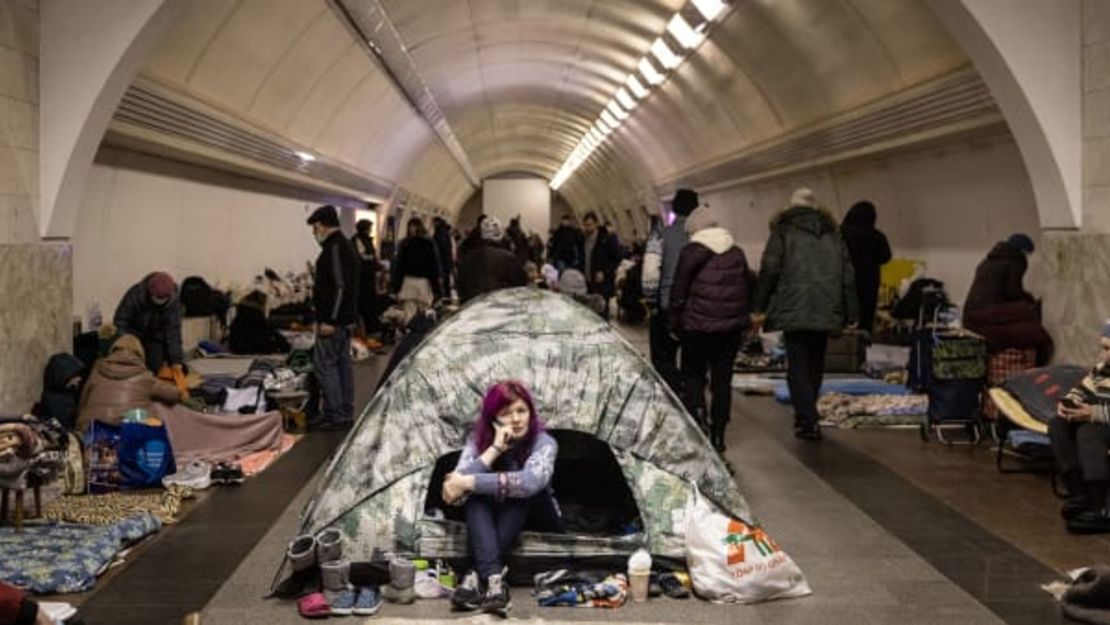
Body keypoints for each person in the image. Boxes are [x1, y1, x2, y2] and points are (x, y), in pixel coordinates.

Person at [442, 381, 563, 614]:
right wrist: (495, 449)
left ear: (530, 413)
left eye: (521, 411)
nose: (516, 419)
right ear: (493, 419)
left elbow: (529, 483)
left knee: (517, 489)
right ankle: (495, 582)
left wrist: (467, 482)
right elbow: (452, 495)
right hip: (500, 515)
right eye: (506, 414)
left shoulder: (544, 443)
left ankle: (476, 574)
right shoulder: (478, 444)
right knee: (476, 495)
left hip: (541, 516)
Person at [752, 188, 858, 441]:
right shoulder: (834, 234)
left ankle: (807, 419)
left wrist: (758, 306)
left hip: (793, 304)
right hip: (826, 303)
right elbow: (848, 275)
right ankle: (808, 414)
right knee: (815, 363)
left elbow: (770, 269)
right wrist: (852, 311)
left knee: (797, 364)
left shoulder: (783, 231)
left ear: (790, 206)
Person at [668, 208, 751, 452]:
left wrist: (674, 323)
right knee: (722, 381)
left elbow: (679, 290)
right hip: (730, 329)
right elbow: (746, 286)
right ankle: (719, 434)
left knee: (693, 373)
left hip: (697, 326)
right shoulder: (737, 253)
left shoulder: (691, 251)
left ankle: (698, 415)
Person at [1050, 322, 1110, 534]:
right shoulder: (1101, 371)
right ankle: (1080, 492)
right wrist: (1068, 404)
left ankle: (1100, 505)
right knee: (1058, 425)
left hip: (1103, 423)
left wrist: (1092, 413)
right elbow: (1081, 390)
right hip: (1098, 419)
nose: (1105, 355)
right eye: (1104, 348)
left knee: (1088, 431)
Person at [307, 204, 360, 429]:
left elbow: (339, 286)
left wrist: (330, 319)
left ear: (321, 225)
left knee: (325, 366)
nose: (313, 233)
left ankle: (336, 414)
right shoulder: (345, 246)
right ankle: (345, 412)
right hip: (346, 319)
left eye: (314, 228)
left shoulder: (334, 249)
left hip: (335, 322)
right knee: (342, 366)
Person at [962, 233, 1053, 365]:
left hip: (970, 315)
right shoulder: (1016, 260)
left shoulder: (988, 260)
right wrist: (1030, 301)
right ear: (1023, 251)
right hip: (988, 315)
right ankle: (1038, 370)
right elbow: (1013, 291)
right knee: (1037, 333)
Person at [76, 334, 182, 432]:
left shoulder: (97, 370)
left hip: (91, 429)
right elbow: (174, 395)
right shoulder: (145, 376)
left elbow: (83, 401)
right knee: (153, 408)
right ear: (140, 354)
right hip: (126, 431)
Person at [648, 189, 698, 395]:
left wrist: (651, 301)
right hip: (694, 307)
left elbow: (651, 271)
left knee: (662, 357)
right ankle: (693, 400)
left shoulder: (661, 235)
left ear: (674, 209)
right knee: (693, 360)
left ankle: (675, 391)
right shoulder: (700, 238)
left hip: (666, 303)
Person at [113, 272, 184, 374]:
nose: (160, 301)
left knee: (155, 368)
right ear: (150, 293)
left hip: (155, 337)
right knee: (132, 368)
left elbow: (173, 331)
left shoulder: (173, 303)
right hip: (133, 336)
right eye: (157, 298)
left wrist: (176, 361)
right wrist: (129, 343)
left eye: (163, 299)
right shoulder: (135, 295)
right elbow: (120, 321)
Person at [840, 200, 892, 333]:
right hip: (869, 283)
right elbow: (886, 257)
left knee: (844, 320)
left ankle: (841, 349)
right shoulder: (877, 236)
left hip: (844, 282)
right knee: (865, 320)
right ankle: (863, 349)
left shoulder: (840, 233)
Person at [456, 217, 529, 303]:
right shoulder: (507, 257)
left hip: (473, 308)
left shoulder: (468, 256)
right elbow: (520, 283)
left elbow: (460, 285)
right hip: (498, 307)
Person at [390, 217, 442, 310]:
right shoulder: (428, 244)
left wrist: (395, 287)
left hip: (408, 282)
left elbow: (399, 267)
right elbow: (433, 267)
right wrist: (437, 290)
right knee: (423, 312)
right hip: (423, 284)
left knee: (408, 313)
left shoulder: (405, 244)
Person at [227, 291, 290, 355]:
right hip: (256, 349)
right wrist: (285, 346)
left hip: (237, 350)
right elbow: (271, 332)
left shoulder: (239, 316)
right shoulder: (257, 316)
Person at [582, 212, 619, 319]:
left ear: (596, 224)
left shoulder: (606, 239)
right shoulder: (584, 239)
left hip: (602, 282)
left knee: (601, 311)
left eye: (590, 225)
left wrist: (604, 272)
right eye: (585, 225)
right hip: (588, 280)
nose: (587, 228)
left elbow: (616, 258)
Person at [34, 353, 85, 430]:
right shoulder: (55, 401)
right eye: (75, 376)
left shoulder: (67, 392)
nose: (79, 379)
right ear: (64, 377)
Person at [351, 219, 381, 334]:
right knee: (365, 304)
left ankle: (369, 328)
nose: (370, 230)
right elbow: (362, 257)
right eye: (369, 228)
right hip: (363, 278)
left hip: (367, 277)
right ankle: (367, 329)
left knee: (368, 304)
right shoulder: (359, 240)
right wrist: (374, 261)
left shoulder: (363, 240)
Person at [433, 217, 456, 298]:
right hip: (447, 261)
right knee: (446, 281)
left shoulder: (439, 234)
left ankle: (443, 296)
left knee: (443, 281)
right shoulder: (446, 234)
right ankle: (447, 296)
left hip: (442, 262)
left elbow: (440, 249)